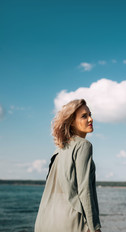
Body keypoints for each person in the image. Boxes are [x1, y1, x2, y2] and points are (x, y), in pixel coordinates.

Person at [34, 99, 102, 232]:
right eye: (84, 116)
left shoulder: (59, 150)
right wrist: (94, 227)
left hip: (44, 221)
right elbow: (85, 190)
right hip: (71, 222)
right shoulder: (83, 145)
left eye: (90, 114)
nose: (90, 119)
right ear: (71, 122)